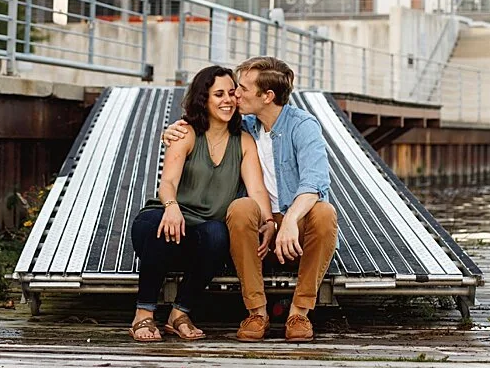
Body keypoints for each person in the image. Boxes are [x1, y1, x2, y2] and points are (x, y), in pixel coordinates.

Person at [163, 56, 337, 343]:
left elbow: (315, 182)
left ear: (267, 96)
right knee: (241, 207)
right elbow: (205, 125)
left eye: (242, 88)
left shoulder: (304, 126)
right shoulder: (245, 126)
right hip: (259, 227)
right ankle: (257, 312)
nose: (235, 94)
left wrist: (291, 219)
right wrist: (169, 133)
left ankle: (299, 313)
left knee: (325, 212)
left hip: (298, 229)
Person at [129, 65, 271, 343]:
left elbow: (256, 189)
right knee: (160, 225)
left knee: (218, 233)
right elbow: (167, 183)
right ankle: (143, 313)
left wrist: (267, 222)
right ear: (203, 99)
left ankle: (179, 314)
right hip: (166, 221)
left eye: (232, 93)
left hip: (202, 234)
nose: (228, 100)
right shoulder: (185, 133)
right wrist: (171, 206)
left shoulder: (243, 142)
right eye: (218, 94)